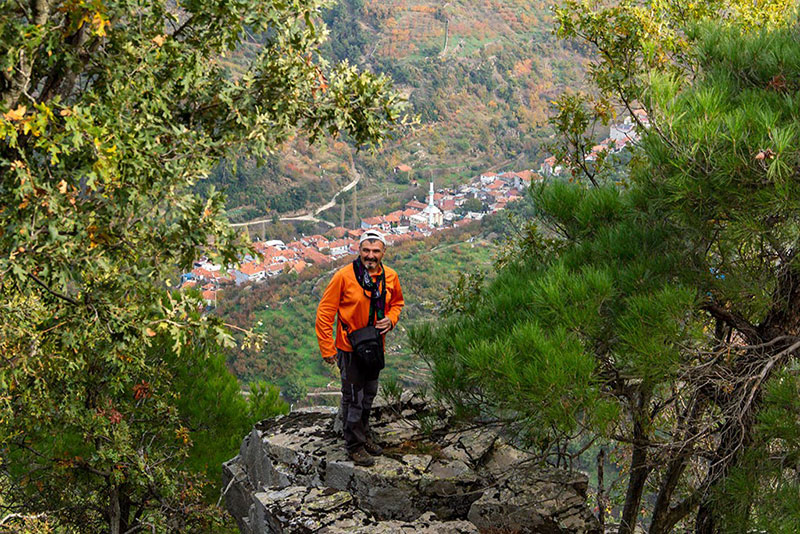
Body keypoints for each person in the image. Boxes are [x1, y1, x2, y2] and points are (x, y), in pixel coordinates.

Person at [315, 230, 404, 466]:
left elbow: (397, 303)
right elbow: (325, 313)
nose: (370, 256)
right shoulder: (344, 276)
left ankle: (363, 434)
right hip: (349, 346)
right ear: (359, 251)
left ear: (383, 252)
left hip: (375, 345)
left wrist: (392, 319)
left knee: (370, 393)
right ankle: (354, 446)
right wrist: (327, 348)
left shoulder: (390, 277)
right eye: (366, 250)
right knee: (354, 397)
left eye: (376, 251)